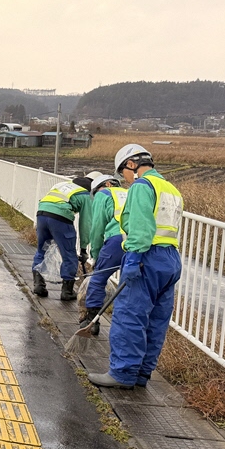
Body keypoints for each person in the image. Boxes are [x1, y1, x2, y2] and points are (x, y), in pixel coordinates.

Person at [89, 145, 183, 389]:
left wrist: (131, 259)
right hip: (170, 259)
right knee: (156, 319)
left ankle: (123, 373)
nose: (124, 180)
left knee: (130, 315)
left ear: (131, 164)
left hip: (146, 257)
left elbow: (140, 229)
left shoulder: (142, 186)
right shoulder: (170, 188)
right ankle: (142, 373)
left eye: (123, 173)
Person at [31, 175, 93, 301]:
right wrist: (83, 248)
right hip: (60, 218)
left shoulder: (62, 185)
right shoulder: (86, 194)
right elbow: (86, 223)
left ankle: (38, 285)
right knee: (69, 254)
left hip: (42, 214)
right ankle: (67, 292)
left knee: (42, 250)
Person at [81, 173, 128, 335]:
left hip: (117, 239)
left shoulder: (104, 193)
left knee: (98, 279)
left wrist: (95, 254)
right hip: (138, 241)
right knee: (130, 282)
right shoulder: (130, 192)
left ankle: (92, 320)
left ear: (106, 184)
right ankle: (125, 324)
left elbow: (97, 228)